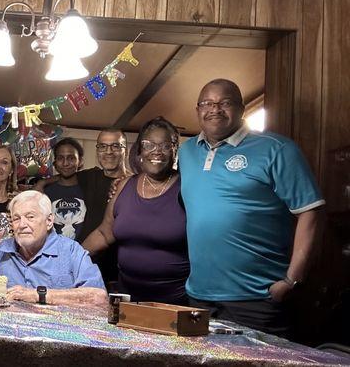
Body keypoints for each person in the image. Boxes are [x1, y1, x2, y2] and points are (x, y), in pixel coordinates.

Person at [178, 78, 325, 337]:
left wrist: (292, 279)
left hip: (257, 298)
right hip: (199, 297)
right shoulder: (188, 151)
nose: (215, 109)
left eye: (225, 103)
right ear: (197, 110)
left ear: (242, 109)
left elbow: (311, 211)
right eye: (207, 103)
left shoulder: (277, 149)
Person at [82, 117, 189, 304]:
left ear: (174, 150)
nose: (156, 151)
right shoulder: (124, 186)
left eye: (165, 145)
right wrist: (69, 258)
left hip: (174, 302)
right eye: (149, 145)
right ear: (140, 150)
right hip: (127, 299)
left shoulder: (187, 188)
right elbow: (104, 233)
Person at [35, 129, 129, 286]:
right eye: (103, 146)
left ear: (125, 149)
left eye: (115, 146)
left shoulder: (132, 184)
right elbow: (65, 174)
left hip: (116, 270)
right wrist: (41, 183)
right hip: (84, 265)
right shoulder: (90, 176)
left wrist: (126, 180)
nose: (109, 152)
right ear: (97, 149)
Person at [0, 191, 107, 306]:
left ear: (49, 221)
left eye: (30, 217)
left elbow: (98, 296)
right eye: (16, 218)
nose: (22, 225)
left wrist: (38, 295)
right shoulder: (0, 252)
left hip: (58, 326)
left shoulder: (71, 251)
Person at [44, 138, 87, 242]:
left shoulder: (90, 188)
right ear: (54, 163)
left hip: (85, 253)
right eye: (60, 158)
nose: (65, 163)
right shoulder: (46, 192)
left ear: (80, 161)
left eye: (71, 158)